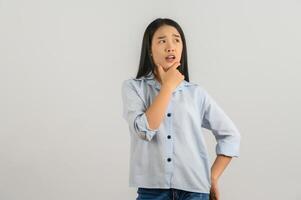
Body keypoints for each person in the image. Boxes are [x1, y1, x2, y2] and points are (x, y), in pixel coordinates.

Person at [121, 18, 241, 200]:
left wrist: (212, 177)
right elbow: (144, 130)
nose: (171, 46)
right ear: (150, 51)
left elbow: (231, 134)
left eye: (176, 40)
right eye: (162, 40)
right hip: (152, 191)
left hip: (195, 189)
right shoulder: (134, 88)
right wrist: (167, 87)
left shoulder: (196, 93)